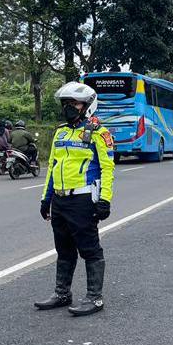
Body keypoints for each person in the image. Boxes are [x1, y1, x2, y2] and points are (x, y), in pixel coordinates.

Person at [35, 82, 115, 316]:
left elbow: (108, 169)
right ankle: (62, 293)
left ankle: (95, 298)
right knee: (64, 249)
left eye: (74, 103)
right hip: (60, 201)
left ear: (88, 106)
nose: (69, 107)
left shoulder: (100, 133)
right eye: (65, 103)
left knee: (89, 249)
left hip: (83, 200)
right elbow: (52, 166)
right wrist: (45, 198)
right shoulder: (60, 132)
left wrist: (105, 200)